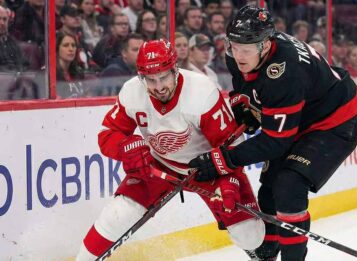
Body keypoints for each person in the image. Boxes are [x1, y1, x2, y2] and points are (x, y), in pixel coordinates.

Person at [188, 5, 357, 261]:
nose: (238, 55)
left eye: (246, 49)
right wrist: (243, 103)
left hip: (334, 123)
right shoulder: (238, 50)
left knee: (288, 185)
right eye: (234, 46)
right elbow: (244, 84)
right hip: (301, 115)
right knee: (268, 191)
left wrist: (222, 159)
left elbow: (275, 141)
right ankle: (267, 255)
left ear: (266, 45)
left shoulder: (285, 72)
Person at [75, 39, 265, 260]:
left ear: (175, 69)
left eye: (164, 76)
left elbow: (231, 145)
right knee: (116, 215)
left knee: (249, 235)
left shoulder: (201, 92)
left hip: (208, 168)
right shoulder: (132, 91)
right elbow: (108, 134)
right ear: (141, 77)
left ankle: (263, 254)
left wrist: (227, 181)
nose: (158, 86)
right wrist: (125, 148)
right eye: (150, 79)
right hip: (158, 165)